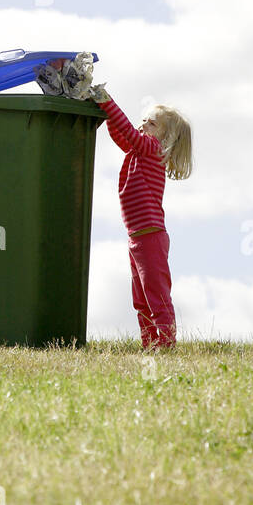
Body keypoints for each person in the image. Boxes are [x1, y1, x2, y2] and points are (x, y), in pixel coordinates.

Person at [90, 86, 193, 348]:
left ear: (165, 136)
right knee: (140, 296)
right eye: (144, 120)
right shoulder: (139, 150)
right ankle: (149, 343)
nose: (143, 125)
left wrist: (107, 102)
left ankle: (166, 342)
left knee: (156, 293)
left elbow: (128, 132)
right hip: (136, 237)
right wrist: (105, 113)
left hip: (150, 236)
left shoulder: (152, 149)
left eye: (152, 123)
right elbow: (121, 135)